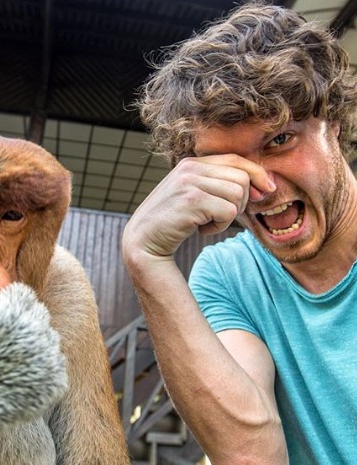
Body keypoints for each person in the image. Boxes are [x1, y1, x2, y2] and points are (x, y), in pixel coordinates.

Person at [122, 2, 357, 465]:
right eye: (226, 164)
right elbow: (251, 454)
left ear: (331, 124)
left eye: (279, 141)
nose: (262, 187)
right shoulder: (227, 275)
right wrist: (144, 257)